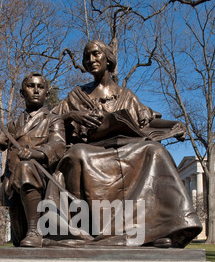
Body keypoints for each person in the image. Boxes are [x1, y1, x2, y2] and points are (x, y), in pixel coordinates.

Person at [45, 40, 202, 248]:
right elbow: (49, 121)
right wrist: (72, 115)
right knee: (76, 154)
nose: (91, 60)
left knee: (155, 150)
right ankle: (84, 230)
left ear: (108, 59)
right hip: (93, 149)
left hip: (125, 149)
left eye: (95, 54)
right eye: (87, 57)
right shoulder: (76, 96)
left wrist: (175, 124)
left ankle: (164, 229)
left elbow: (147, 120)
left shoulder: (126, 96)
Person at [0, 72, 66, 247]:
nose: (35, 90)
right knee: (18, 240)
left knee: (25, 168)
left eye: (40, 87)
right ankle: (28, 231)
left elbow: (58, 144)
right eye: (31, 86)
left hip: (41, 180)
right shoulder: (12, 125)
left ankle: (35, 230)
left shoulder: (53, 120)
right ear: (22, 92)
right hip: (14, 186)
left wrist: (36, 153)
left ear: (47, 94)